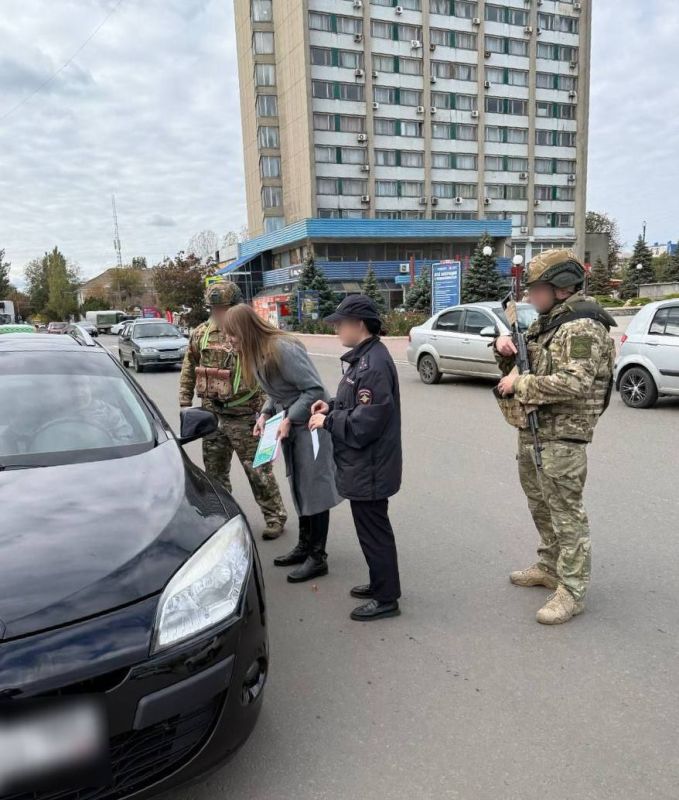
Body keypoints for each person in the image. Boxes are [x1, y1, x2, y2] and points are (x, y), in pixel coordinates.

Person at [494, 249, 616, 625]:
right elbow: (524, 362)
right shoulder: (548, 323)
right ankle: (550, 566)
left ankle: (573, 590)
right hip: (533, 431)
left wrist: (520, 382)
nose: (531, 297)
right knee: (540, 505)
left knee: (567, 514)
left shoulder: (583, 327)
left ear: (562, 287)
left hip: (564, 437)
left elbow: (575, 383)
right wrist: (504, 352)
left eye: (537, 289)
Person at [222, 303, 341, 582]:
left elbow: (313, 390)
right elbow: (276, 393)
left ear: (245, 330)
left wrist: (288, 417)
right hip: (291, 428)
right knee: (298, 485)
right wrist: (265, 415)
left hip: (311, 426)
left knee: (315, 490)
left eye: (232, 335)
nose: (229, 340)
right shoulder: (257, 352)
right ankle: (304, 546)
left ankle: (317, 557)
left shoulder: (282, 348)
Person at [309, 296, 402, 622]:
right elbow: (355, 403)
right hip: (365, 465)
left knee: (374, 533)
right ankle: (380, 584)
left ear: (359, 324)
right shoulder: (365, 358)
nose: (336, 329)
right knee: (371, 531)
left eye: (340, 323)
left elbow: (366, 423)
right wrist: (331, 406)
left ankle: (387, 598)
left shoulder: (372, 364)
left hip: (371, 466)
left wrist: (328, 421)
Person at [179, 282, 287, 540]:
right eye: (215, 308)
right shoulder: (201, 334)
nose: (219, 313)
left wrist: (269, 412)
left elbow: (272, 372)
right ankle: (222, 519)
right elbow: (189, 367)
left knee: (259, 471)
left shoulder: (253, 333)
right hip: (212, 416)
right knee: (215, 475)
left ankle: (274, 517)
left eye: (224, 308)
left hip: (248, 417)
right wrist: (184, 402)